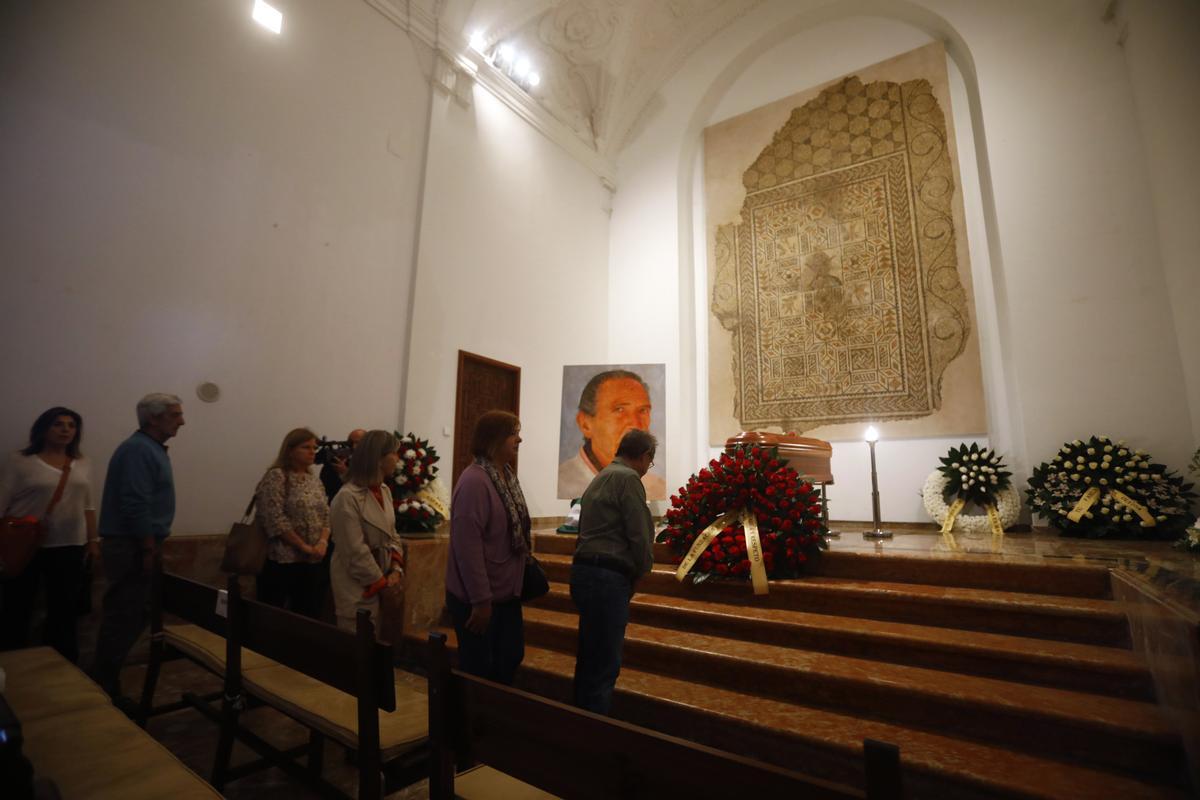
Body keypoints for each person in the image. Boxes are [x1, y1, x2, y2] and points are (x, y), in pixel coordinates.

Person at [91, 393, 184, 700]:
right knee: (125, 615)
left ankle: (105, 681)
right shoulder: (138, 450)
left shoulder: (149, 448)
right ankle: (103, 687)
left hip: (138, 543)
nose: (182, 421)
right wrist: (147, 548)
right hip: (132, 545)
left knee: (134, 612)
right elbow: (135, 503)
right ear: (153, 418)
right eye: (174, 415)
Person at [0, 407, 97, 663]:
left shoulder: (82, 462)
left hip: (69, 545)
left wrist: (93, 541)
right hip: (24, 544)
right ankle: (13, 664)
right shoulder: (19, 460)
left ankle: (61, 665)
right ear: (44, 428)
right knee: (17, 607)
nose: (65, 429)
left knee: (64, 610)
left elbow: (88, 505)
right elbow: (2, 501)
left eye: (71, 425)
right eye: (58, 424)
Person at [570, 428, 656, 714]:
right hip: (607, 577)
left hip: (584, 572)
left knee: (588, 658)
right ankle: (595, 737)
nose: (647, 469)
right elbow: (639, 534)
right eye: (650, 462)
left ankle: (578, 723)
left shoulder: (602, 475)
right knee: (605, 665)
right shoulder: (628, 479)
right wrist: (642, 570)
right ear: (644, 456)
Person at [446, 410, 529, 685]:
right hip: (479, 598)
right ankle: (473, 724)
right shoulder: (474, 481)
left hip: (505, 594)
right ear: (494, 438)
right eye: (513, 433)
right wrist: (481, 601)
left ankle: (495, 719)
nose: (519, 439)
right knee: (481, 668)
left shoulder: (504, 475)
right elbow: (467, 548)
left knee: (510, 657)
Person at [329, 429, 404, 633]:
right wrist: (380, 583)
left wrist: (396, 568)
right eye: (394, 453)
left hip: (384, 575)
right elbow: (354, 550)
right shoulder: (347, 497)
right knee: (357, 649)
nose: (398, 458)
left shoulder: (384, 490)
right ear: (378, 458)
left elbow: (392, 534)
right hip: (358, 584)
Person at [255, 428, 330, 619]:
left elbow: (326, 515)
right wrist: (303, 546)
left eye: (314, 447)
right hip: (283, 559)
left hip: (313, 559)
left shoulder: (314, 481)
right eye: (306, 447)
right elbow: (274, 518)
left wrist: (322, 542)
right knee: (274, 616)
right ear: (290, 450)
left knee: (309, 615)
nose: (312, 451)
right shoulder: (277, 476)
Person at [557, 370, 666, 500]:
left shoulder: (657, 489)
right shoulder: (562, 484)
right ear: (585, 424)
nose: (636, 424)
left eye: (643, 410)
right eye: (619, 409)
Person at [320, 428, 365, 503]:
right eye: (350, 443)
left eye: (358, 443)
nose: (354, 446)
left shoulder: (373, 464)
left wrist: (345, 474)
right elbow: (327, 490)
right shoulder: (336, 463)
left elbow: (366, 489)